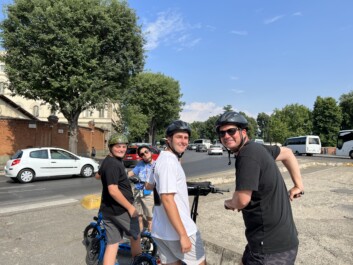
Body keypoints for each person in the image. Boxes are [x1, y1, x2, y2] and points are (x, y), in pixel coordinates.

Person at [215, 111, 304, 265]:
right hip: (278, 239)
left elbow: (242, 200)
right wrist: (298, 185)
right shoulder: (258, 148)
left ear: (243, 132)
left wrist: (229, 203)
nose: (226, 136)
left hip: (270, 248)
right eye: (222, 133)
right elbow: (288, 153)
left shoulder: (247, 155)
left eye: (231, 131)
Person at [146, 120, 206, 265]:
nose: (184, 141)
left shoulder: (159, 160)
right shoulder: (169, 162)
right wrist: (183, 235)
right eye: (179, 137)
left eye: (186, 138)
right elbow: (167, 198)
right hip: (178, 231)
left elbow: (149, 186)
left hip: (160, 230)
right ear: (168, 139)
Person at [97, 133, 141, 265]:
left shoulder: (108, 161)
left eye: (124, 146)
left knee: (113, 243)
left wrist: (117, 177)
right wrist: (130, 207)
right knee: (135, 234)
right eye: (118, 146)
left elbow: (97, 175)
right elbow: (113, 190)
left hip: (107, 209)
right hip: (120, 209)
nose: (122, 149)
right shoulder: (113, 165)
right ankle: (138, 261)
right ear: (111, 147)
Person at [127, 145, 155, 232]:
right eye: (142, 154)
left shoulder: (156, 165)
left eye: (146, 152)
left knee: (150, 218)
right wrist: (122, 176)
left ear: (150, 152)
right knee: (139, 216)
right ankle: (140, 237)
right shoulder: (140, 164)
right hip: (137, 191)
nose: (145, 155)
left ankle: (150, 238)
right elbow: (131, 173)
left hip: (149, 193)